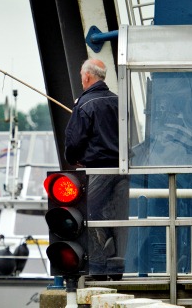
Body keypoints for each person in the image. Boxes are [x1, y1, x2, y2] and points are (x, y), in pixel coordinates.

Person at [64, 58, 129, 280]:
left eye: (82, 75)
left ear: (87, 76)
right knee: (116, 217)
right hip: (121, 171)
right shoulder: (118, 101)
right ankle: (117, 265)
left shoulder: (84, 104)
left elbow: (73, 141)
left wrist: (73, 159)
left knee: (83, 213)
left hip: (98, 171)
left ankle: (100, 265)